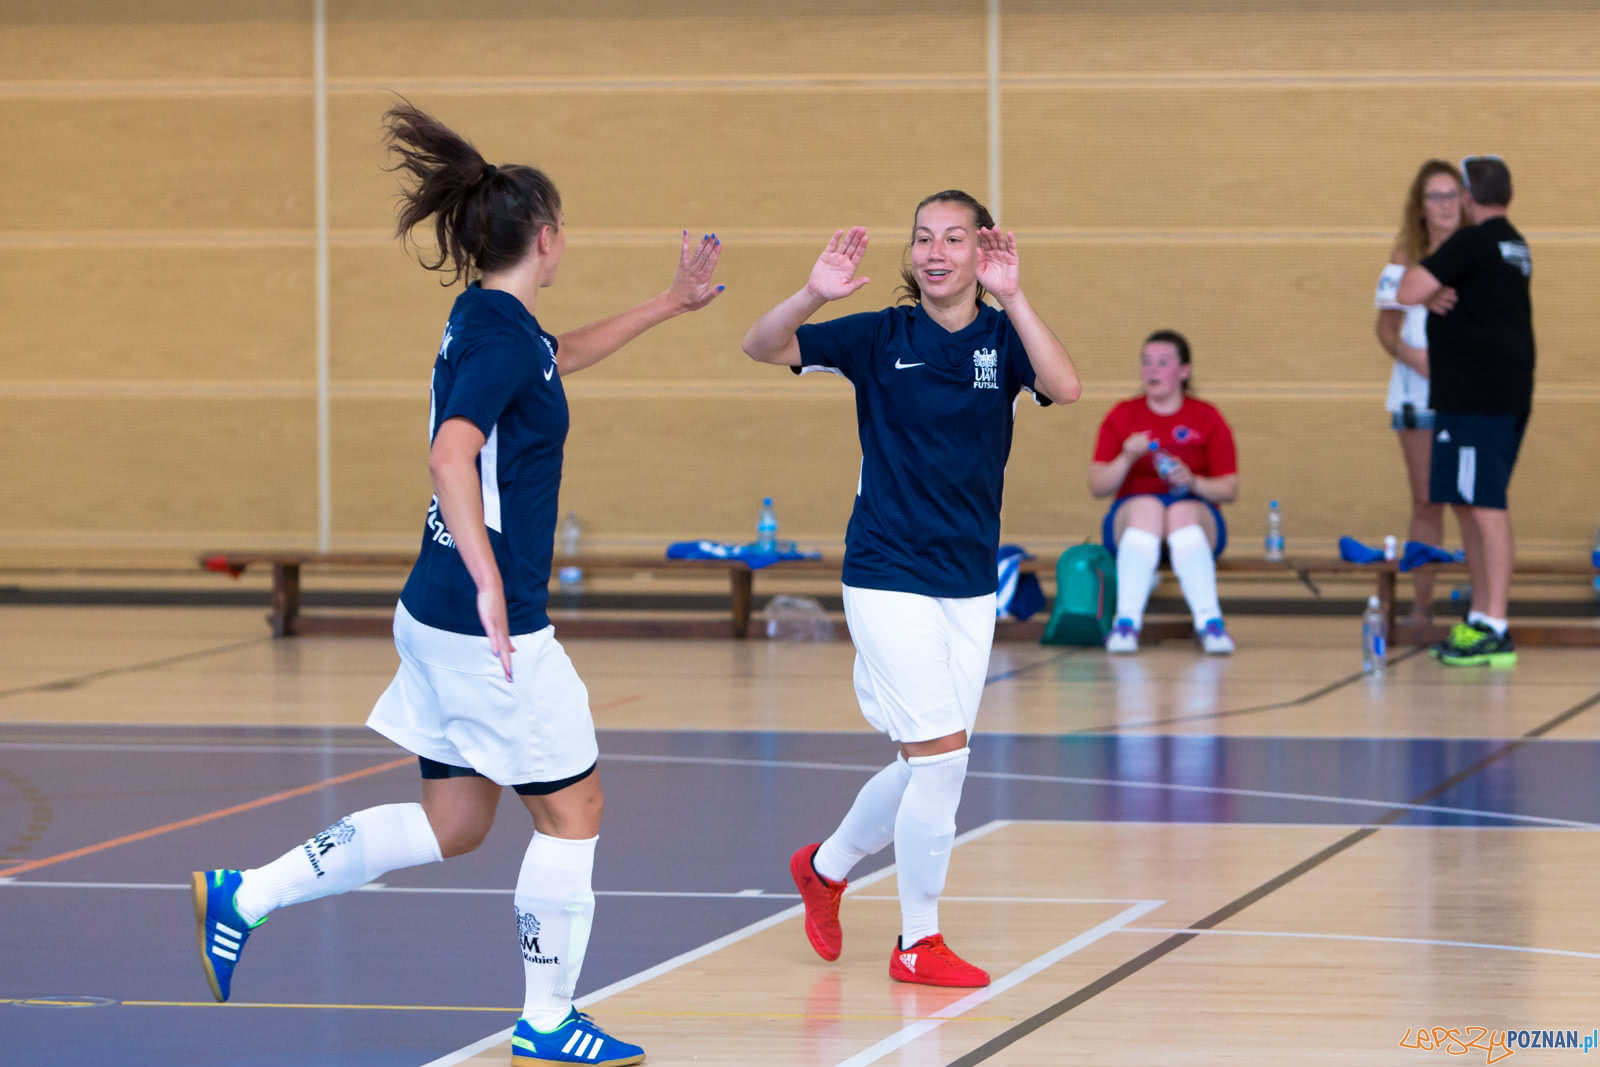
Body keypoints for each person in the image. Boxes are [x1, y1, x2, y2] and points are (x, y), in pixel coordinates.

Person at [191, 101, 724, 1066]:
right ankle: (547, 1022)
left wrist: (666, 304)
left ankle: (247, 894)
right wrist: (489, 580)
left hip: (431, 612)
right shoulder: (500, 338)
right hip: (487, 621)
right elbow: (451, 454)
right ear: (548, 237)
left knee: (457, 821)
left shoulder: (492, 319)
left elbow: (556, 361)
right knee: (576, 810)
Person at [741, 190, 1081, 988]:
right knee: (941, 757)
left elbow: (1065, 388)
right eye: (923, 238)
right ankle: (916, 941)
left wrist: (1017, 296)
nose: (934, 251)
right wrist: (812, 294)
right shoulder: (878, 335)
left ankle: (824, 868)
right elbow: (762, 345)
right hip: (887, 571)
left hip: (968, 582)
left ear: (980, 251)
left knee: (934, 760)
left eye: (953, 238)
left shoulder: (1004, 335)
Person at [1398, 155, 1533, 668]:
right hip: (1497, 392)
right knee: (1469, 505)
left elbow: (1409, 288)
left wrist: (1428, 291)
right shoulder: (1514, 243)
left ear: (1471, 198)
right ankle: (1481, 615)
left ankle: (1494, 624)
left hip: (1478, 396)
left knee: (1485, 507)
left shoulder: (1473, 241)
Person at [1088, 330, 1239, 655]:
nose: (1152, 370)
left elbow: (1228, 489)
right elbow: (1098, 486)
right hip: (1134, 523)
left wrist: (1192, 482)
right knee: (1149, 508)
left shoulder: (1207, 417)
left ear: (1183, 371)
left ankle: (1210, 623)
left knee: (1180, 512)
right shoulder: (1122, 415)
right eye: (1146, 363)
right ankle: (1126, 624)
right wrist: (1127, 456)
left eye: (1162, 363)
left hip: (1194, 522)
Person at [1374, 160, 1466, 628]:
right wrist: (1422, 362)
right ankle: (1423, 606)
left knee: (1473, 500)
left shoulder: (1477, 251)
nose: (1446, 205)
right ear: (1421, 205)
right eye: (1436, 196)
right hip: (1418, 395)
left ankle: (1485, 608)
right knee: (1427, 501)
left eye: (1453, 194)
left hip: (1470, 395)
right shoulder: (1404, 256)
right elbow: (1386, 329)